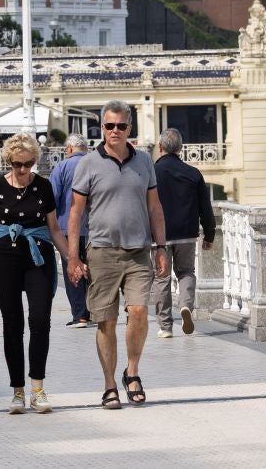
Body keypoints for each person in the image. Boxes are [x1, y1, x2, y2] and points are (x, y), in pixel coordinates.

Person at [67, 100, 168, 410]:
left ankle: (132, 373)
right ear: (102, 128)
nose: (114, 131)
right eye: (109, 126)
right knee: (106, 321)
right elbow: (75, 212)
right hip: (101, 253)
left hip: (139, 251)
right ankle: (109, 384)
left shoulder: (144, 162)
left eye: (120, 126)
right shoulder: (88, 164)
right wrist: (73, 256)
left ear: (129, 128)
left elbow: (155, 207)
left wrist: (162, 248)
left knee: (138, 311)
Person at [0, 134, 68, 414]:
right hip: (4, 259)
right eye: (18, 164)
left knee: (40, 319)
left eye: (28, 164)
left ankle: (37, 388)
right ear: (9, 162)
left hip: (38, 257)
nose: (24, 170)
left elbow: (54, 229)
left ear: (35, 161)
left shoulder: (44, 187)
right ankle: (17, 391)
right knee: (13, 324)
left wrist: (72, 259)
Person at [153, 128, 216, 338]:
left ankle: (165, 326)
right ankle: (186, 305)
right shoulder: (193, 173)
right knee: (186, 271)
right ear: (180, 148)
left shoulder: (152, 173)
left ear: (160, 147)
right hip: (187, 233)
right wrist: (209, 235)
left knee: (161, 277)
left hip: (159, 235)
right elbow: (205, 208)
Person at [49, 133, 91, 328]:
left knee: (72, 268)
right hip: (95, 228)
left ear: (70, 149)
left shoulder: (62, 167)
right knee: (94, 268)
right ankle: (96, 310)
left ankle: (80, 315)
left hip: (67, 227)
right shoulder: (96, 163)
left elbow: (52, 198)